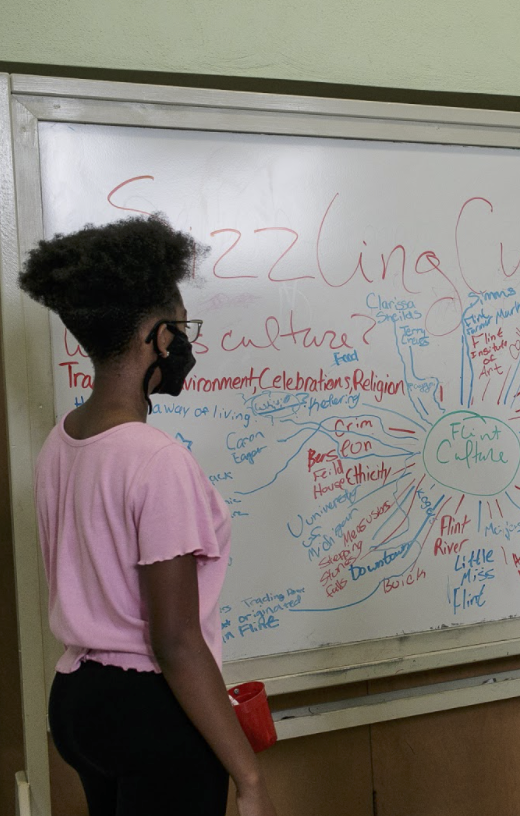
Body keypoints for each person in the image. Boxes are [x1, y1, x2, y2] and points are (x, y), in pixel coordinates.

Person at [20, 217, 278, 816]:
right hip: (149, 710)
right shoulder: (156, 460)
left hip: (77, 701)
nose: (185, 347)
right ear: (158, 338)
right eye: (181, 332)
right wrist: (250, 779)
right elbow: (176, 640)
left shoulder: (62, 442)